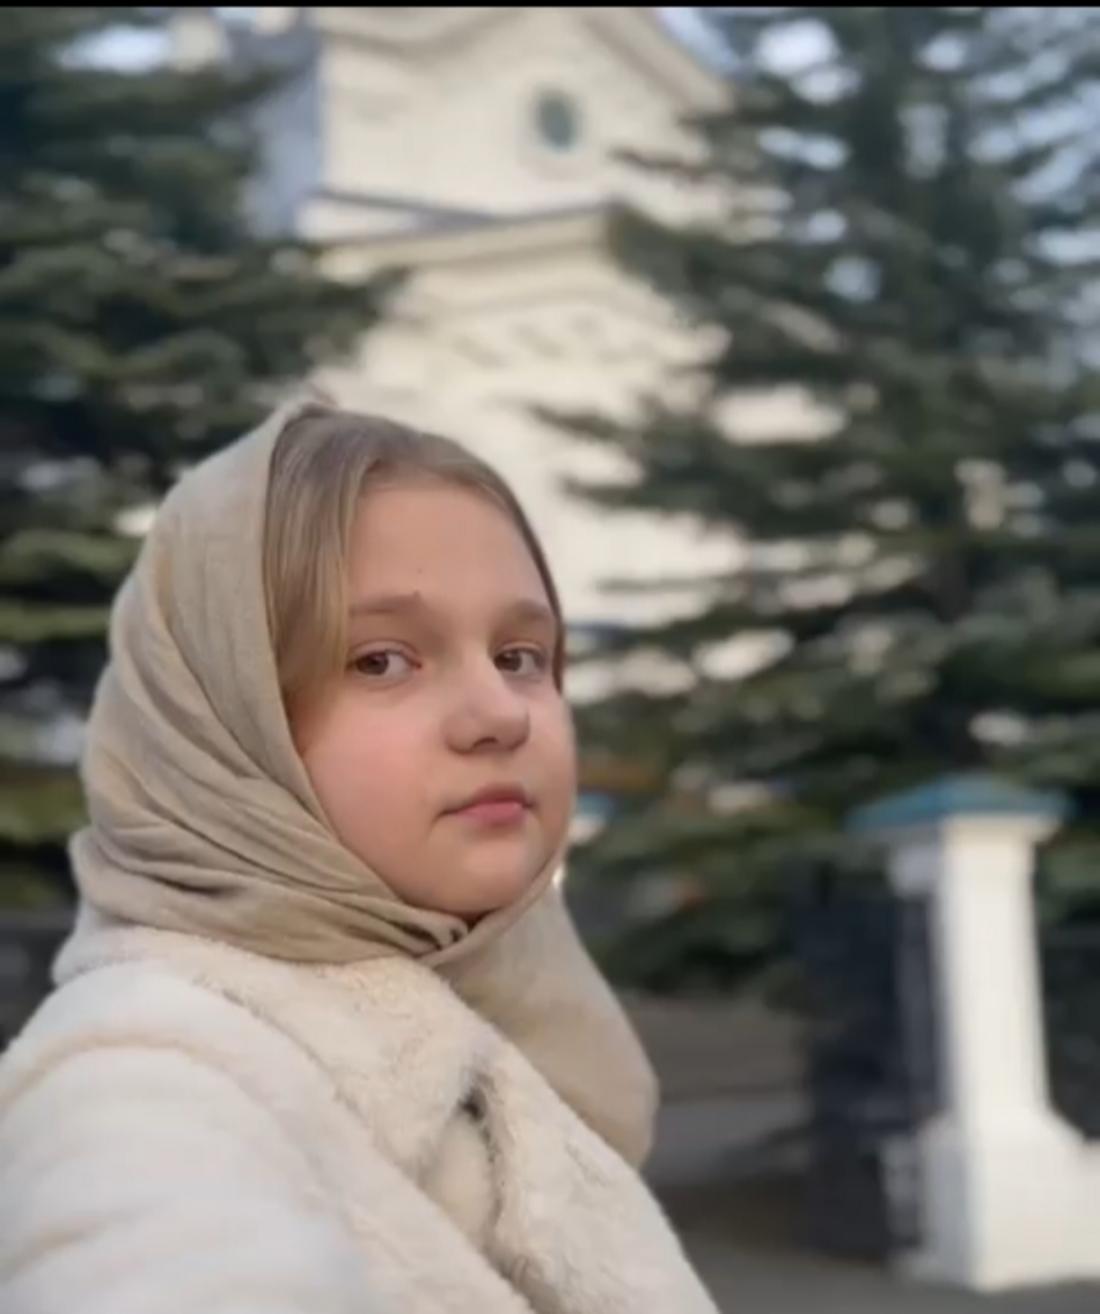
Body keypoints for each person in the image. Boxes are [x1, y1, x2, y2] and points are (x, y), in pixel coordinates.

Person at [0, 394, 719, 1313]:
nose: (500, 714)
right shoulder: (145, 1090)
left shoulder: (523, 1027)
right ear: (223, 723)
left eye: (520, 656)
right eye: (382, 660)